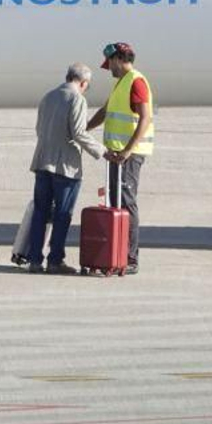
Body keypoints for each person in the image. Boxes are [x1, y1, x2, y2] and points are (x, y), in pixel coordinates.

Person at [24, 63, 105, 275]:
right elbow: (78, 132)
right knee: (62, 214)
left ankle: (34, 260)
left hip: (42, 162)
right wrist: (102, 151)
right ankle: (55, 261)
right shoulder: (77, 99)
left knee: (40, 213)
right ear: (84, 82)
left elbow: (39, 128)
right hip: (65, 167)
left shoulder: (48, 97)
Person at [87, 42, 152, 276]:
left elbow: (145, 118)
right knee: (116, 203)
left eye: (109, 64)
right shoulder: (121, 84)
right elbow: (105, 112)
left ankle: (131, 258)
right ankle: (117, 252)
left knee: (127, 203)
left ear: (117, 59)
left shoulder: (136, 81)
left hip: (129, 156)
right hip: (116, 155)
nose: (109, 69)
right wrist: (83, 129)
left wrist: (128, 150)